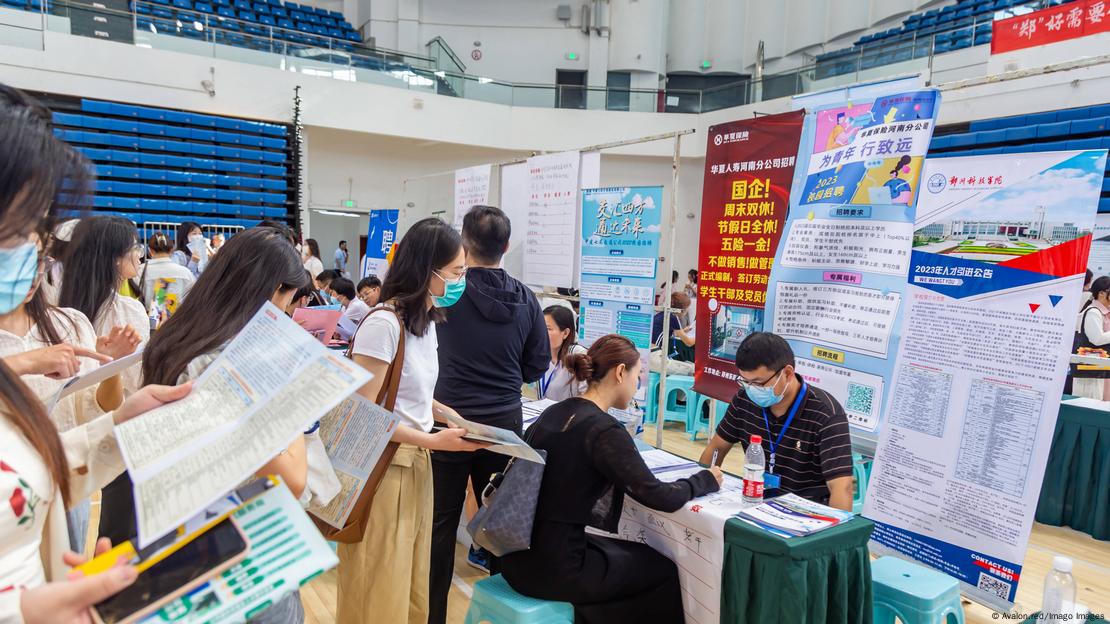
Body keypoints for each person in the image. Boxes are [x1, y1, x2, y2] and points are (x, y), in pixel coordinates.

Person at [0, 82, 193, 622]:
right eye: (16, 227)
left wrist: (119, 424)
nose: (34, 249)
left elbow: (30, 467)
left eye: (38, 228)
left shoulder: (68, 320)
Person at [101, 228, 311, 623]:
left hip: (176, 540)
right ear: (271, 291)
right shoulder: (239, 360)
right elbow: (291, 477)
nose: (287, 313)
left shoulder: (176, 342)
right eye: (287, 299)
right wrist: (296, 401)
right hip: (243, 544)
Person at [501, 334, 722, 624]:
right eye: (638, 374)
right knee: (662, 571)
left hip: (515, 558)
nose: (638, 384)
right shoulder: (603, 431)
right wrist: (704, 480)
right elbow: (660, 496)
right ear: (620, 372)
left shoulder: (555, 412)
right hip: (557, 569)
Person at [338, 217, 486, 624]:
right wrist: (436, 441)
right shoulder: (383, 324)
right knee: (378, 580)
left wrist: (446, 415)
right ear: (428, 270)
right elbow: (360, 415)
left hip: (417, 463)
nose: (461, 281)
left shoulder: (424, 322)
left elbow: (408, 391)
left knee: (410, 579)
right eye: (456, 272)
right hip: (385, 469)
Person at [429, 206, 550, 622]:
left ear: (463, 244)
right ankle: (500, 613)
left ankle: (433, 616)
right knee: (500, 527)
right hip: (503, 424)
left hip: (447, 422)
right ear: (507, 246)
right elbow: (537, 366)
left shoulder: (446, 293)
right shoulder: (528, 299)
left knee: (440, 526)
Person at [699, 332, 854, 510]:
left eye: (759, 383)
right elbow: (716, 447)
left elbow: (842, 488)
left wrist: (831, 534)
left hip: (806, 515)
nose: (752, 390)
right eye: (745, 382)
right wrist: (700, 485)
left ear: (787, 373)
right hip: (754, 504)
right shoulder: (744, 399)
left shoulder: (826, 414)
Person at [58, 216, 151, 393]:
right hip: (116, 407)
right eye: (135, 248)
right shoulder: (128, 309)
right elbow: (137, 380)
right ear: (115, 257)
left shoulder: (66, 301)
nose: (140, 255)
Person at [139, 231, 196, 326]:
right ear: (171, 250)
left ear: (150, 251)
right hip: (178, 324)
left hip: (148, 324)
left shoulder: (139, 271)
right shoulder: (185, 273)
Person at [1074, 276, 1110, 400]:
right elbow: (1097, 338)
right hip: (1091, 369)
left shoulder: (1104, 312)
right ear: (1101, 294)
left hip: (1100, 367)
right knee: (1090, 402)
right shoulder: (1093, 312)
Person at [540, 305, 586, 401]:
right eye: (540, 327)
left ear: (565, 333)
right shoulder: (538, 355)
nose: (541, 333)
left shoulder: (577, 354)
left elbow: (587, 395)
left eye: (548, 329)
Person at [652, 292, 695, 363]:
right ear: (682, 310)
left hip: (650, 350)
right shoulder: (673, 318)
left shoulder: (664, 313)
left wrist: (684, 331)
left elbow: (672, 333)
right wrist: (701, 337)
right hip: (655, 355)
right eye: (687, 308)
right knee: (690, 368)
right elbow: (688, 342)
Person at [332, 277, 369, 342]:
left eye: (334, 294)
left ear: (342, 294)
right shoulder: (344, 307)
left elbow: (342, 326)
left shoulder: (356, 305)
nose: (333, 296)